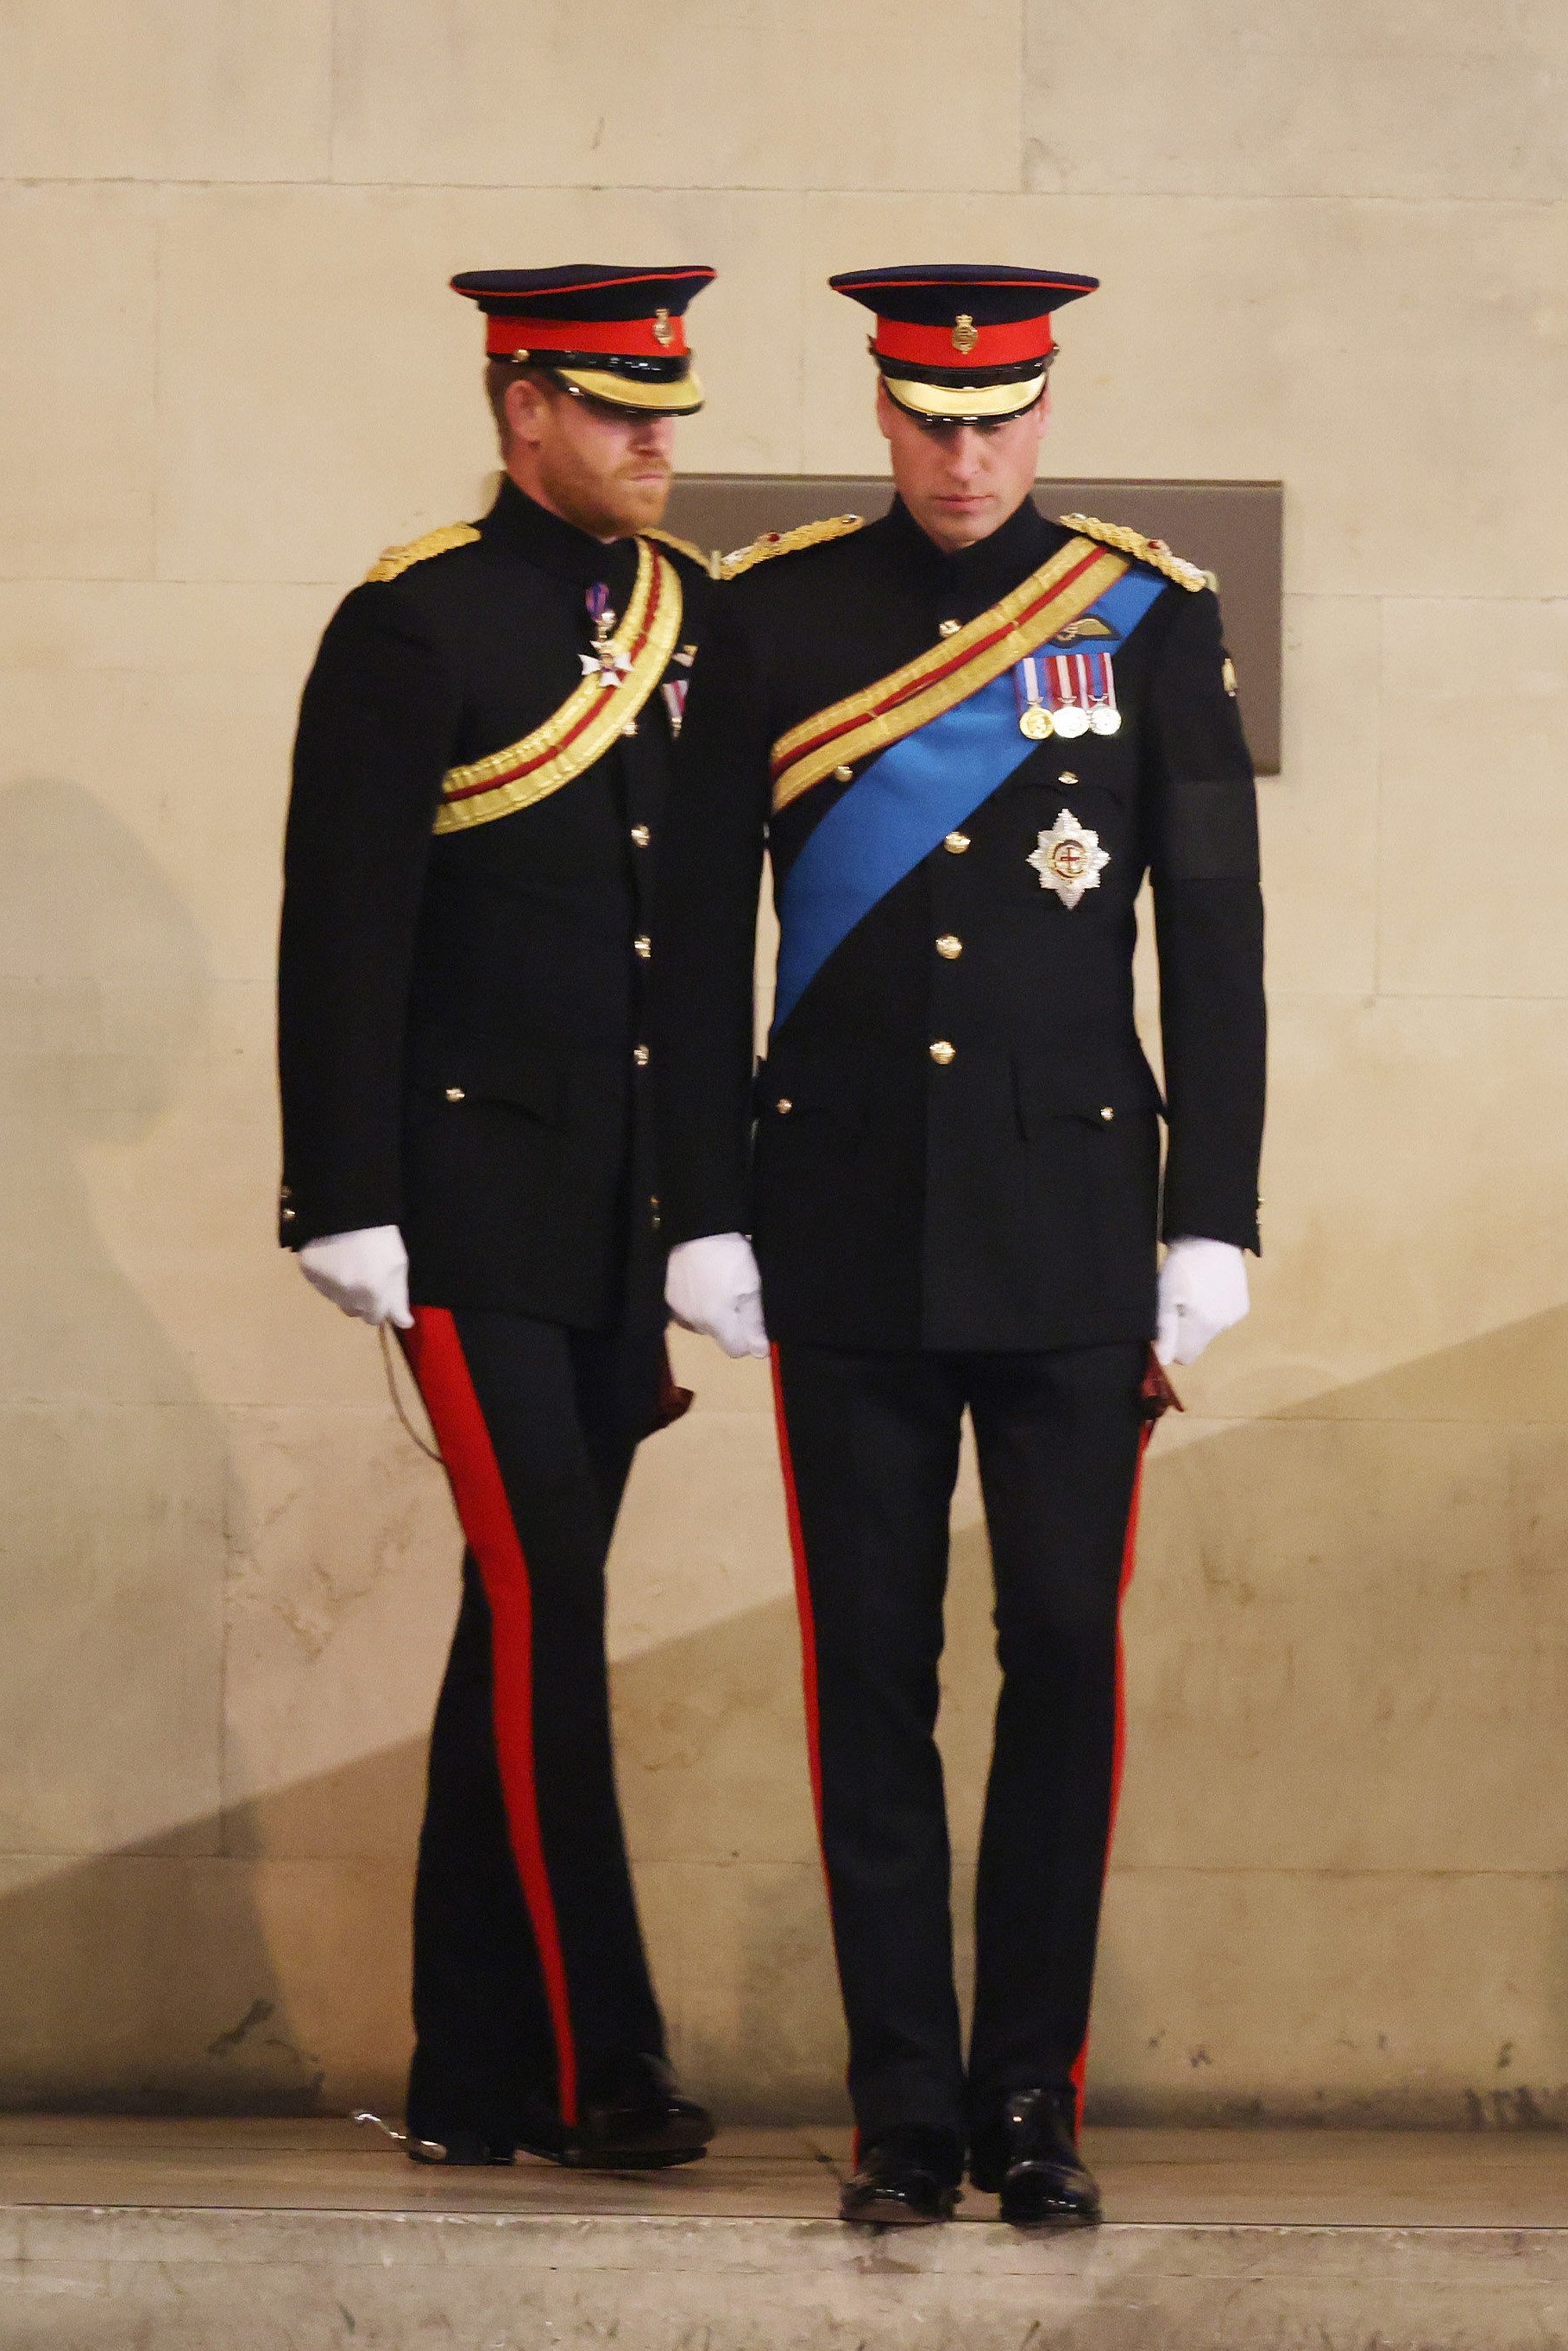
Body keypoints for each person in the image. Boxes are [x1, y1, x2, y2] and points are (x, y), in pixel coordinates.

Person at [652, 264, 1265, 2226]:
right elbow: (687, 943)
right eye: (930, 418)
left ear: (1047, 410)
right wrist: (706, 1207)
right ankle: (907, 2107)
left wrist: (1216, 1216)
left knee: (1066, 1663)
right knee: (871, 1678)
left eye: (997, 419)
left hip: (1077, 1234)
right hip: (839, 1224)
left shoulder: (1150, 616)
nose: (964, 453)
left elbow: (1216, 942)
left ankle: (1033, 2105)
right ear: (882, 411)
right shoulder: (771, 616)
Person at [277, 263, 718, 2171]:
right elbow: (343, 922)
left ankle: (476, 2071)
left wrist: (714, 1207)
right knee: (549, 1600)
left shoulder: (695, 620)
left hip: (622, 1227)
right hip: (460, 1207)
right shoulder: (412, 624)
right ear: (517, 401)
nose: (653, 440)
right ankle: (603, 2054)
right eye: (616, 404)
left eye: (668, 408)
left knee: (513, 1626)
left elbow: (697, 943)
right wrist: (341, 1192)